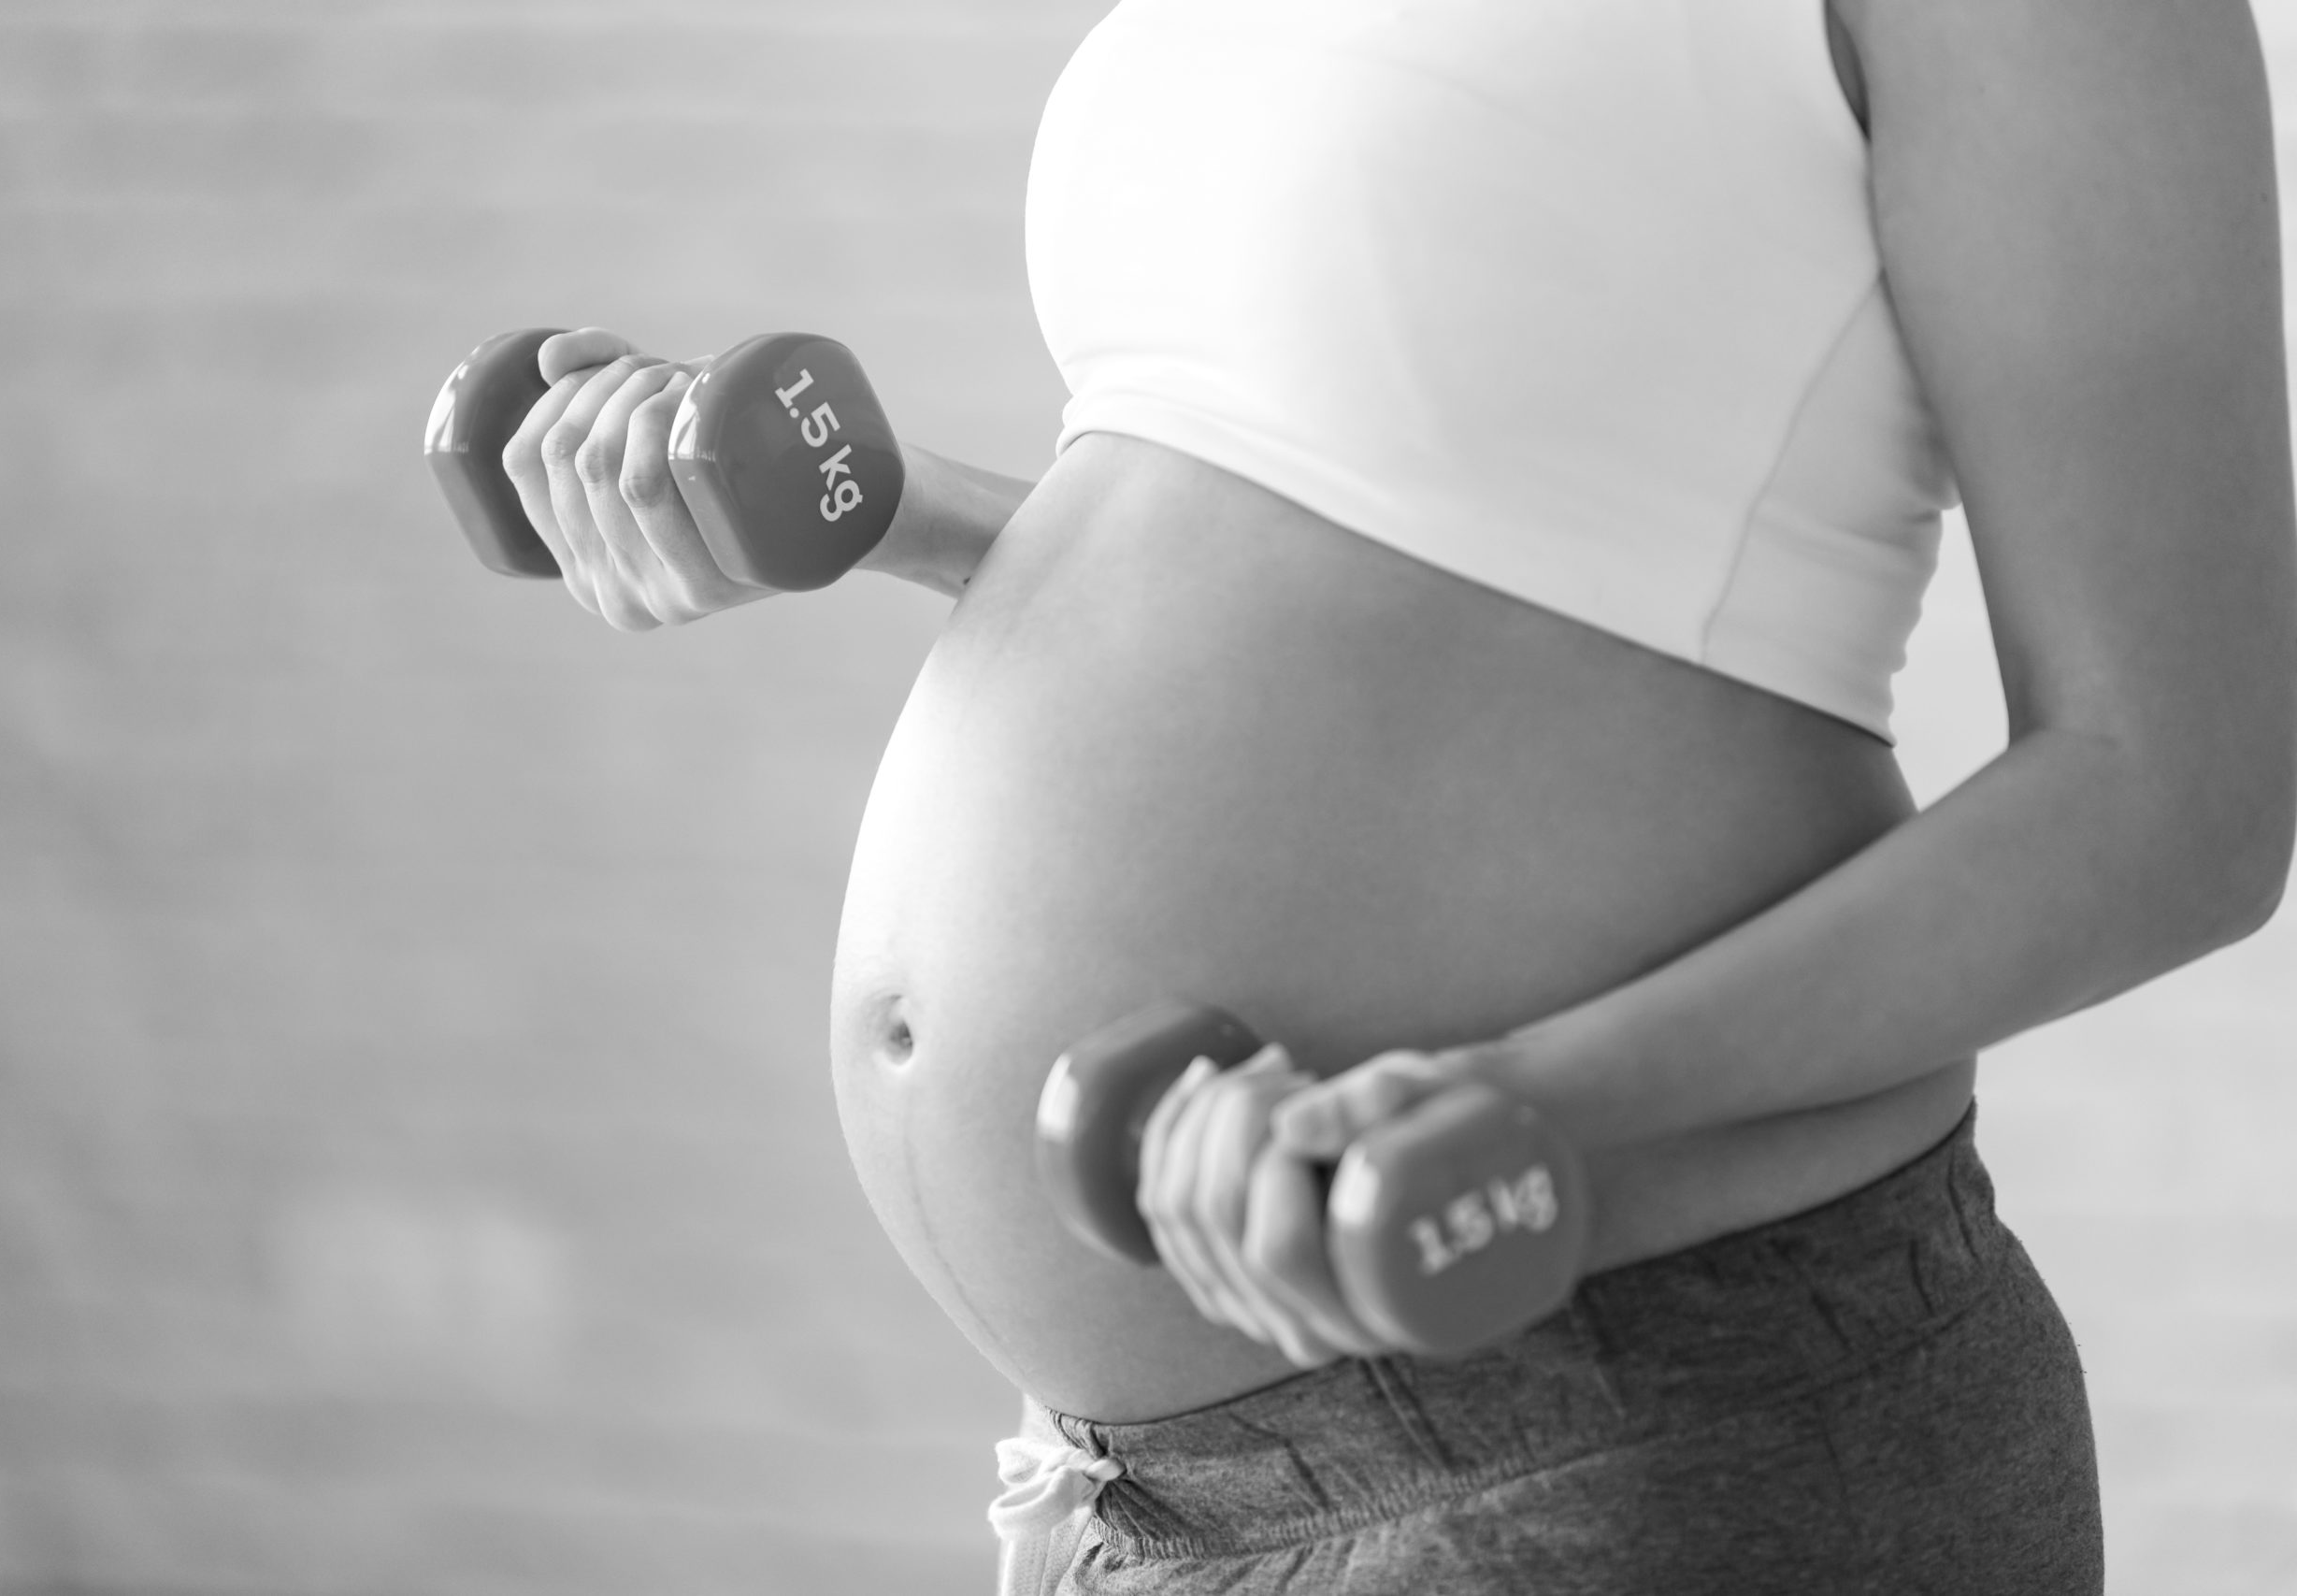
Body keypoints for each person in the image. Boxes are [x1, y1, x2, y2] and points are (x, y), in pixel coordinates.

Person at [500, 0, 2294, 1589]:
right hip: (1149, 1495)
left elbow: (2176, 798)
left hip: (1637, 1425)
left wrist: (1530, 1103)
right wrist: (867, 508)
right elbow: (1333, 528)